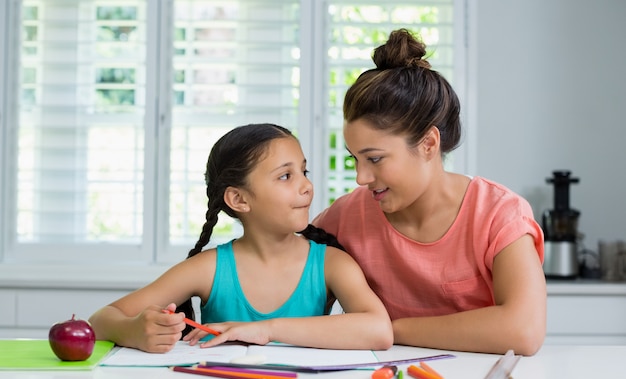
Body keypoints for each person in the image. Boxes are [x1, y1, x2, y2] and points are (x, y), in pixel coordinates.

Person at [312, 29, 546, 356]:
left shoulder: (498, 214)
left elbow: (523, 331)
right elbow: (283, 284)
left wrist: (388, 330)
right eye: (355, 159)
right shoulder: (344, 218)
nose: (361, 177)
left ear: (428, 144)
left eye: (375, 158)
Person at [89, 123, 393, 353]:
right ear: (238, 199)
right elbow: (101, 319)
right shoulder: (207, 268)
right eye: (286, 176)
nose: (307, 186)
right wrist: (132, 331)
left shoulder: (330, 263)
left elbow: (379, 330)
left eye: (304, 171)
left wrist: (266, 330)